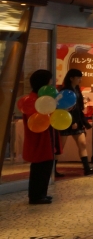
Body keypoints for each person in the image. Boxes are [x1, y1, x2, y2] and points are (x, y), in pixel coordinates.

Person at [23, 70, 58, 204]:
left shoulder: (41, 98)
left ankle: (41, 193)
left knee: (45, 166)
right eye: (49, 81)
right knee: (39, 167)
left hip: (44, 137)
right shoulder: (33, 100)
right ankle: (36, 196)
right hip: (39, 138)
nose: (51, 84)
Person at [58, 68, 93, 176]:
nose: (80, 80)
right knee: (61, 146)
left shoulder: (77, 89)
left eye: (81, 77)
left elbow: (78, 108)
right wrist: (72, 122)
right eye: (78, 77)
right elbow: (64, 108)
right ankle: (52, 169)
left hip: (77, 120)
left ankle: (86, 168)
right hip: (66, 121)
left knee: (82, 143)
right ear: (71, 78)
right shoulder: (65, 90)